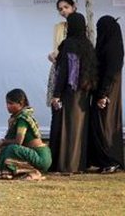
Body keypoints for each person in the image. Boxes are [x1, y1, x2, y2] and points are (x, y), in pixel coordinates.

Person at [49, 12, 97, 174]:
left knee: (65, 127)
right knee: (79, 129)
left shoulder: (69, 44)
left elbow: (66, 72)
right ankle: (78, 164)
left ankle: (64, 164)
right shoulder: (88, 44)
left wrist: (56, 94)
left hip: (69, 92)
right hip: (83, 94)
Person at [89, 15, 124, 173]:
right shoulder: (114, 46)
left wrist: (103, 94)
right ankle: (106, 160)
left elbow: (110, 73)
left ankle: (110, 160)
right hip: (108, 91)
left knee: (105, 125)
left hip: (106, 92)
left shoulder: (111, 49)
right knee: (104, 124)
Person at [0, 89, 51, 180]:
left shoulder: (22, 119)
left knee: (12, 148)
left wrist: (4, 142)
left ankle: (34, 172)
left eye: (11, 103)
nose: (7, 106)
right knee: (6, 150)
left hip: (41, 157)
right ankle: (15, 171)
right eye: (7, 103)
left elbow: (18, 142)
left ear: (20, 104)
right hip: (34, 155)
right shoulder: (16, 118)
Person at [47, 0, 77, 104]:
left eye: (66, 7)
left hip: (75, 70)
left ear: (73, 7)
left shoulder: (82, 26)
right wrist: (51, 56)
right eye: (60, 9)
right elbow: (56, 49)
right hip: (59, 68)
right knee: (58, 105)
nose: (63, 10)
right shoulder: (59, 27)